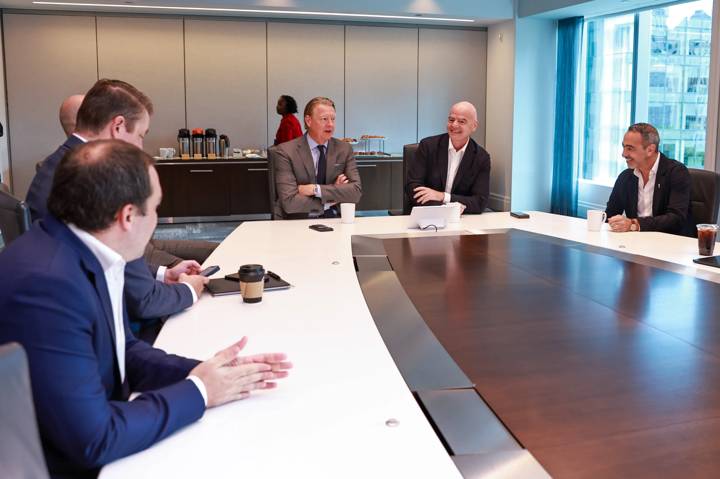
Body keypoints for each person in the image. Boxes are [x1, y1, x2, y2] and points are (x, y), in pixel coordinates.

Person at [0, 140, 292, 479]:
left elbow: (123, 351)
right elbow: (94, 440)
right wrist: (200, 392)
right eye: (154, 209)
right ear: (127, 216)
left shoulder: (81, 251)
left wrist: (205, 372)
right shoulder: (50, 284)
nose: (155, 221)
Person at [26, 80, 207, 339]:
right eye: (141, 135)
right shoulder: (95, 179)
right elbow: (143, 300)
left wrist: (161, 273)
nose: (141, 147)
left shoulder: (56, 165)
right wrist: (189, 290)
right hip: (107, 329)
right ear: (118, 126)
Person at [272, 96, 362, 218]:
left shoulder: (344, 149)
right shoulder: (286, 151)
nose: (330, 124)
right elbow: (289, 202)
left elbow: (355, 192)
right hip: (298, 221)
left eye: (333, 119)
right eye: (324, 119)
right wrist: (333, 195)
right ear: (308, 121)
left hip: (336, 220)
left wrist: (315, 189)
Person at [605, 123, 693, 235]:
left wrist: (634, 224)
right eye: (623, 147)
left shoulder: (676, 172)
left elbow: (675, 219)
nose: (624, 154)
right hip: (635, 242)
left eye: (630, 148)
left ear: (650, 150)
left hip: (670, 243)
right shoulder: (626, 177)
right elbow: (610, 215)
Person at [406, 101, 490, 214]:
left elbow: (479, 202)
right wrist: (448, 209)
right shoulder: (428, 146)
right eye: (451, 120)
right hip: (425, 216)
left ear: (474, 126)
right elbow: (413, 188)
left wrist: (442, 197)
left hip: (462, 221)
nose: (454, 125)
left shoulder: (481, 157)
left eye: (461, 121)